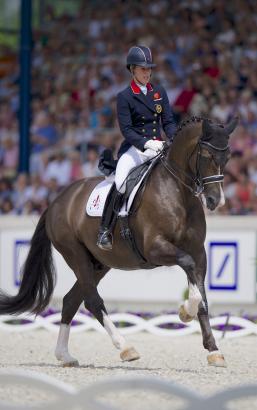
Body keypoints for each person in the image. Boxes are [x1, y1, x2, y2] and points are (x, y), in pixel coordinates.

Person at [97, 45, 175, 250]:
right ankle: (105, 229)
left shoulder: (159, 92)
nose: (147, 72)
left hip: (159, 145)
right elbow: (127, 130)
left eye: (149, 68)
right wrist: (146, 143)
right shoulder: (125, 96)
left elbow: (168, 121)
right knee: (121, 181)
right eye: (143, 69)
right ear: (132, 69)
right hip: (135, 148)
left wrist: (173, 138)